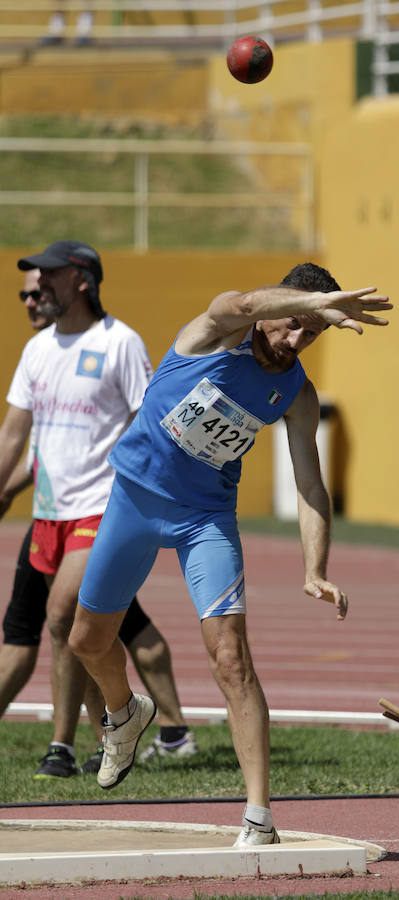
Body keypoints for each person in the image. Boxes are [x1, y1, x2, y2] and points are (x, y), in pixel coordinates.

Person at [68, 263, 391, 845]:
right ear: (274, 312)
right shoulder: (214, 332)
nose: (295, 343)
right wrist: (315, 302)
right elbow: (240, 303)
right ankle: (124, 712)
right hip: (134, 502)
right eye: (292, 325)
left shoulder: (297, 393)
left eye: (311, 335)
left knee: (231, 658)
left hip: (205, 521)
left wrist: (315, 569)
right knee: (86, 641)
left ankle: (258, 817)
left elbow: (310, 485)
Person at [0, 240, 197, 780]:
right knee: (78, 628)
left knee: (62, 614)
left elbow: (148, 420)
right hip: (48, 513)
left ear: (82, 280)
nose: (38, 285)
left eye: (49, 275)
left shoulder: (121, 343)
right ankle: (115, 725)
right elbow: (14, 431)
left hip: (103, 507)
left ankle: (78, 738)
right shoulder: (38, 350)